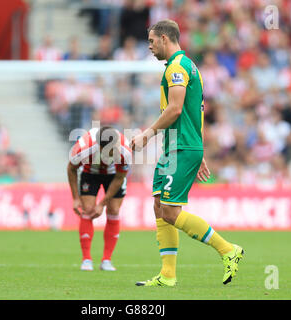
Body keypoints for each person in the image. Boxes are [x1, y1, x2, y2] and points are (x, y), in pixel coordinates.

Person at [130, 19, 244, 287]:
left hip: (181, 147)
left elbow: (176, 108)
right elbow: (197, 111)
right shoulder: (186, 66)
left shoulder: (178, 67)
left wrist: (147, 134)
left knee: (170, 211)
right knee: (159, 206)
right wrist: (199, 148)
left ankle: (228, 250)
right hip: (177, 147)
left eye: (151, 41)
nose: (149, 46)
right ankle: (168, 275)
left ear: (165, 40)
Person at [67, 126, 132, 271]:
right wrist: (75, 198)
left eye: (113, 150)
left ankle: (106, 260)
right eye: (108, 151)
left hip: (114, 175)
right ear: (99, 146)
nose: (112, 154)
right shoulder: (83, 148)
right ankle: (86, 259)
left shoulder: (125, 150)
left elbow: (120, 177)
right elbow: (71, 169)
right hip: (90, 172)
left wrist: (102, 204)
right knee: (88, 210)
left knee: (114, 210)